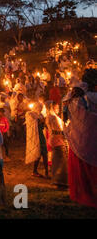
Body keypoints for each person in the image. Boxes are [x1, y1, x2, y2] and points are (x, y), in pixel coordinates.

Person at [63, 69, 97, 208]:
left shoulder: (72, 98)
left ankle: (82, 193)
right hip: (91, 138)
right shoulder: (91, 98)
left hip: (77, 139)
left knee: (82, 171)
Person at [45, 101, 68, 188]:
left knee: (57, 160)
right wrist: (65, 131)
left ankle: (56, 179)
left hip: (54, 140)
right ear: (52, 108)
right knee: (60, 161)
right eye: (56, 108)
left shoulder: (52, 117)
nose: (58, 109)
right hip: (57, 140)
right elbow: (56, 130)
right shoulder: (53, 118)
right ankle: (60, 180)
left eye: (58, 108)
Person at [25, 102, 49, 178]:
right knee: (38, 154)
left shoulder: (41, 115)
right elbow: (32, 123)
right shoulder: (30, 114)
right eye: (40, 107)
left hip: (41, 136)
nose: (41, 109)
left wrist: (43, 122)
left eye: (41, 108)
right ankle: (35, 171)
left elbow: (43, 125)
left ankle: (46, 171)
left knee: (44, 153)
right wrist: (40, 121)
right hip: (35, 136)